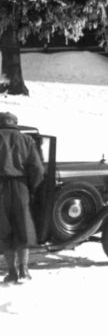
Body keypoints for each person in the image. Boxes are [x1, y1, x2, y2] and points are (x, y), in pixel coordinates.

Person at [0, 112, 45, 284]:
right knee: (23, 230)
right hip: (21, 188)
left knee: (5, 232)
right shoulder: (26, 140)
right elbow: (38, 169)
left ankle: (11, 272)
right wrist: (31, 188)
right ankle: (24, 270)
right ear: (15, 123)